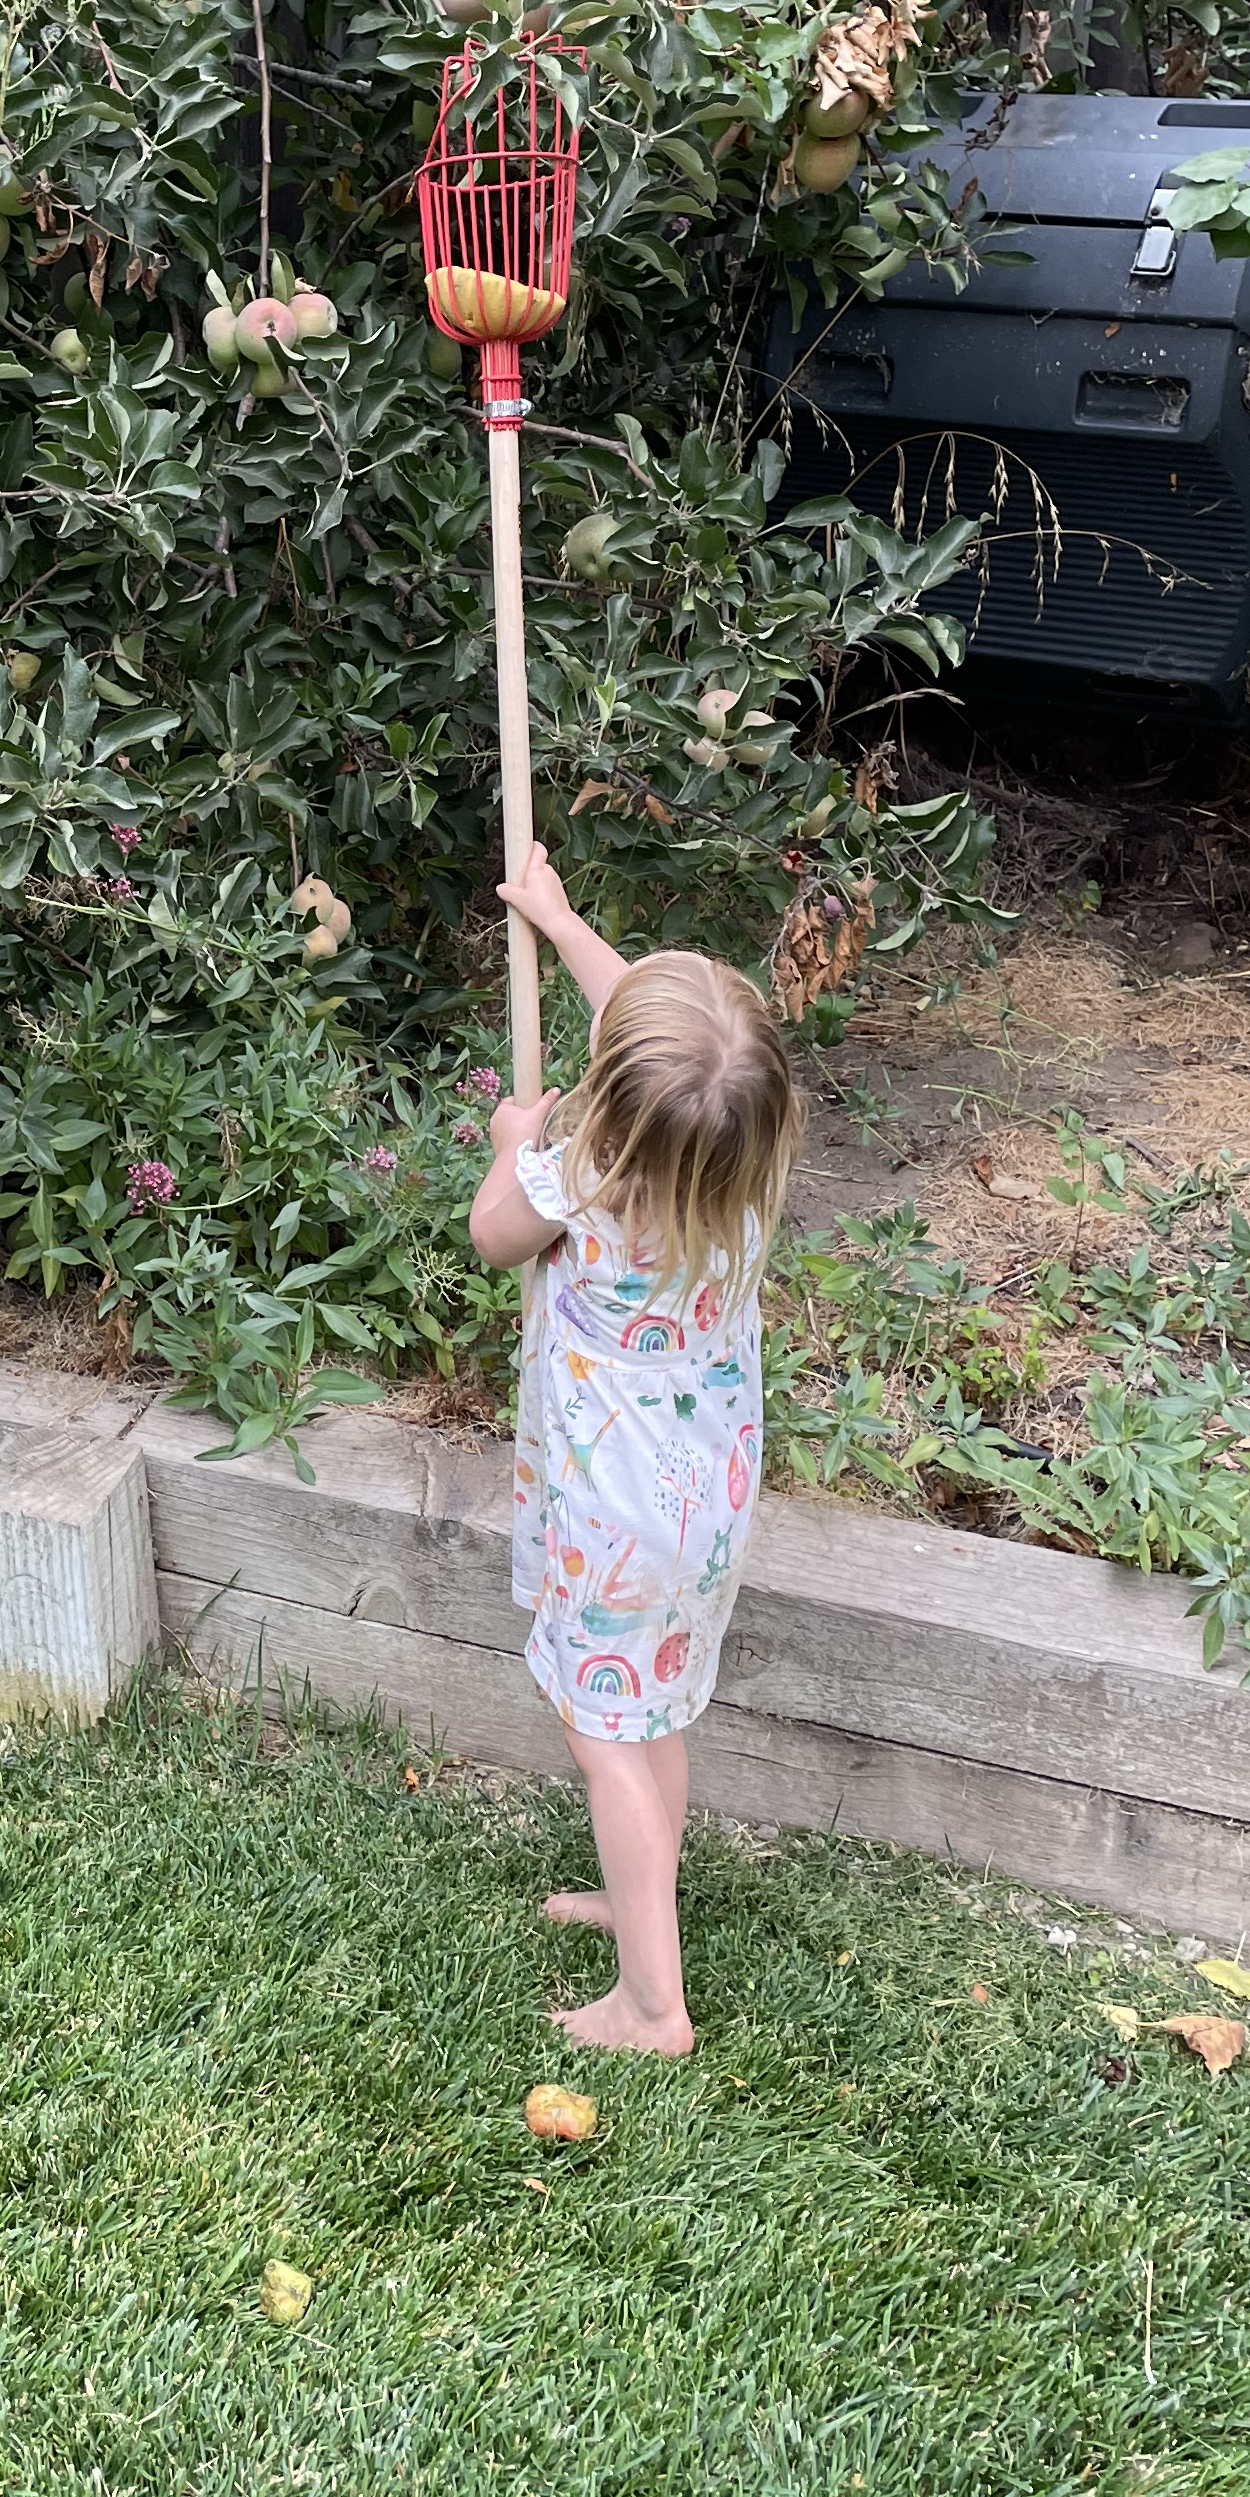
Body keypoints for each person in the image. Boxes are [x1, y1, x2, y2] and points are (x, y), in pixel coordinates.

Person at [468, 843, 805, 2055]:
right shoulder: (737, 1177)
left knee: (604, 1734)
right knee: (648, 1709)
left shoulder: (583, 1176)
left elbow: (492, 1234)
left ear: (609, 1104)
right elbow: (650, 1033)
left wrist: (516, 1140)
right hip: (701, 1502)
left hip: (610, 1518)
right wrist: (559, 924)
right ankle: (638, 1895)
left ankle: (650, 2005)